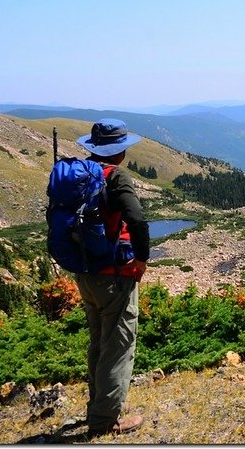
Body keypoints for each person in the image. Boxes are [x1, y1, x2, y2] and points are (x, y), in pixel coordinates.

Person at [74, 118, 150, 436]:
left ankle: (97, 407)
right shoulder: (116, 177)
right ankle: (105, 421)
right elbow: (137, 220)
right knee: (118, 344)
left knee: (98, 342)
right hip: (113, 276)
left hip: (84, 273)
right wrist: (142, 260)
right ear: (119, 151)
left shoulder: (80, 176)